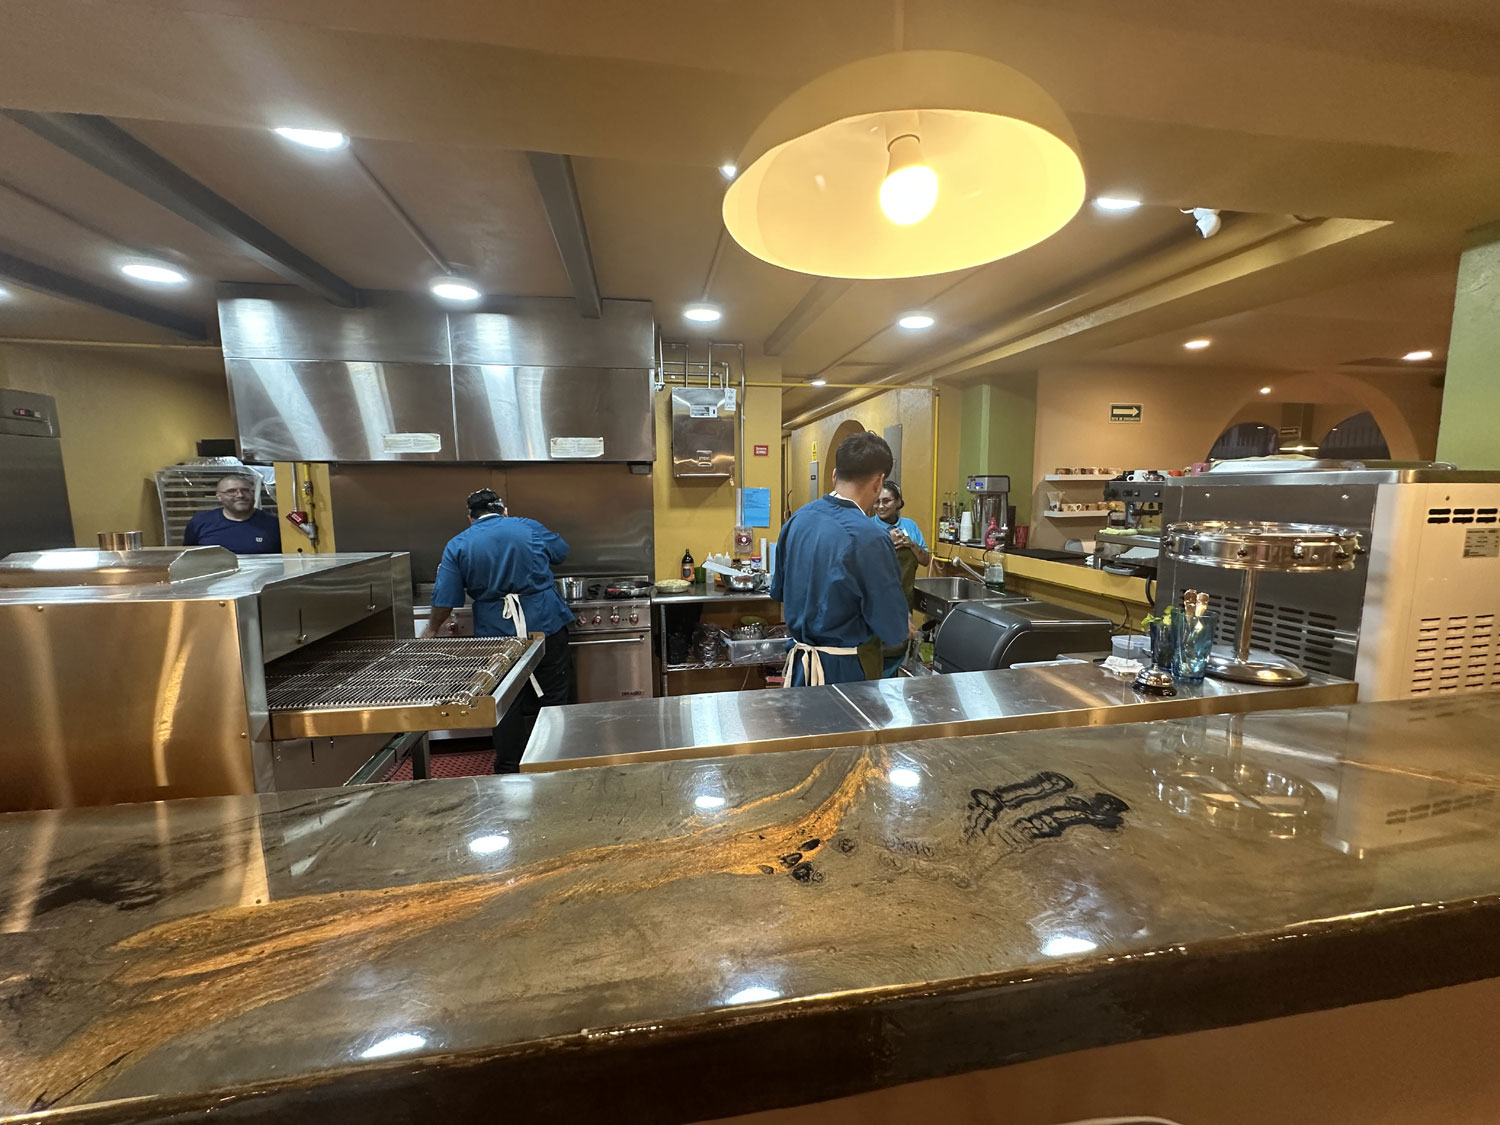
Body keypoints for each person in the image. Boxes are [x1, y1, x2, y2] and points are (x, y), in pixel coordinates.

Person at [422, 489, 573, 774]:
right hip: (545, 623)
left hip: (496, 635)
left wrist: (432, 628)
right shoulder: (528, 526)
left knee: (504, 701)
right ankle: (553, 761)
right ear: (504, 510)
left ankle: (509, 768)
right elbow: (561, 552)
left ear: (470, 517)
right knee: (553, 696)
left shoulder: (459, 544)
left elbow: (445, 598)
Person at [770, 431, 911, 686]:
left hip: (801, 667)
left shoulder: (797, 520)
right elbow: (893, 629)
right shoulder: (870, 538)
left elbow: (778, 590)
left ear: (835, 475)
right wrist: (903, 623)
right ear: (879, 482)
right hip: (845, 673)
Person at [860, 480, 929, 678]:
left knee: (896, 649)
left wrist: (910, 543)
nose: (881, 506)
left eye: (887, 501)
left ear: (898, 502)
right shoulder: (868, 527)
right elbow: (863, 566)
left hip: (903, 599)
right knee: (873, 655)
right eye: (877, 501)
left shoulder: (910, 526)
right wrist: (886, 543)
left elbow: (925, 560)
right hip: (876, 603)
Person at [182, 473, 281, 554]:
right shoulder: (200, 522)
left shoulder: (274, 524)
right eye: (231, 491)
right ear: (219, 496)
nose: (240, 495)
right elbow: (189, 557)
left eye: (245, 490)